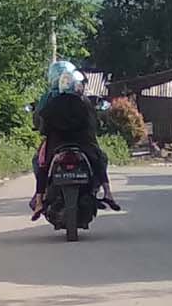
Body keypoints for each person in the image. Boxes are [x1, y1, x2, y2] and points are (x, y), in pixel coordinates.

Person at [30, 66, 119, 217]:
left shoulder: (51, 102)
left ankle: (39, 201)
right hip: (82, 143)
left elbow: (43, 127)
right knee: (98, 159)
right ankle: (108, 193)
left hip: (56, 143)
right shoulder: (83, 102)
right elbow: (91, 125)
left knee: (42, 164)